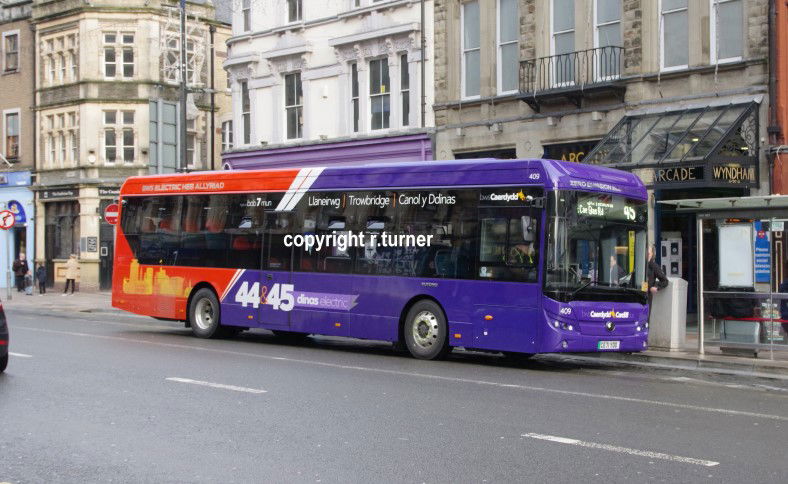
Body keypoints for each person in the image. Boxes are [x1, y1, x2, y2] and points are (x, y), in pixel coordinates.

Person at [646, 245, 669, 321]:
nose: (646, 253)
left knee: (645, 319)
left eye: (648, 252)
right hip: (637, 295)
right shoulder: (640, 264)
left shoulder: (654, 266)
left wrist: (657, 287)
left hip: (646, 297)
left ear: (652, 254)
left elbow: (665, 281)